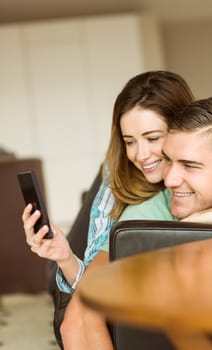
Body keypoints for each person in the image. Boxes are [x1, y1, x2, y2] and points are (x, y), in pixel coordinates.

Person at [22, 70, 196, 349]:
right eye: (130, 141)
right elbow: (91, 275)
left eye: (152, 138)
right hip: (111, 260)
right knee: (75, 316)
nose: (140, 155)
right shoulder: (119, 178)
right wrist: (65, 257)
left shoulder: (206, 168)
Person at [59, 91, 212, 349]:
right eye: (169, 160)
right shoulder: (144, 217)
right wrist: (191, 228)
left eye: (189, 165)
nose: (170, 179)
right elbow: (81, 318)